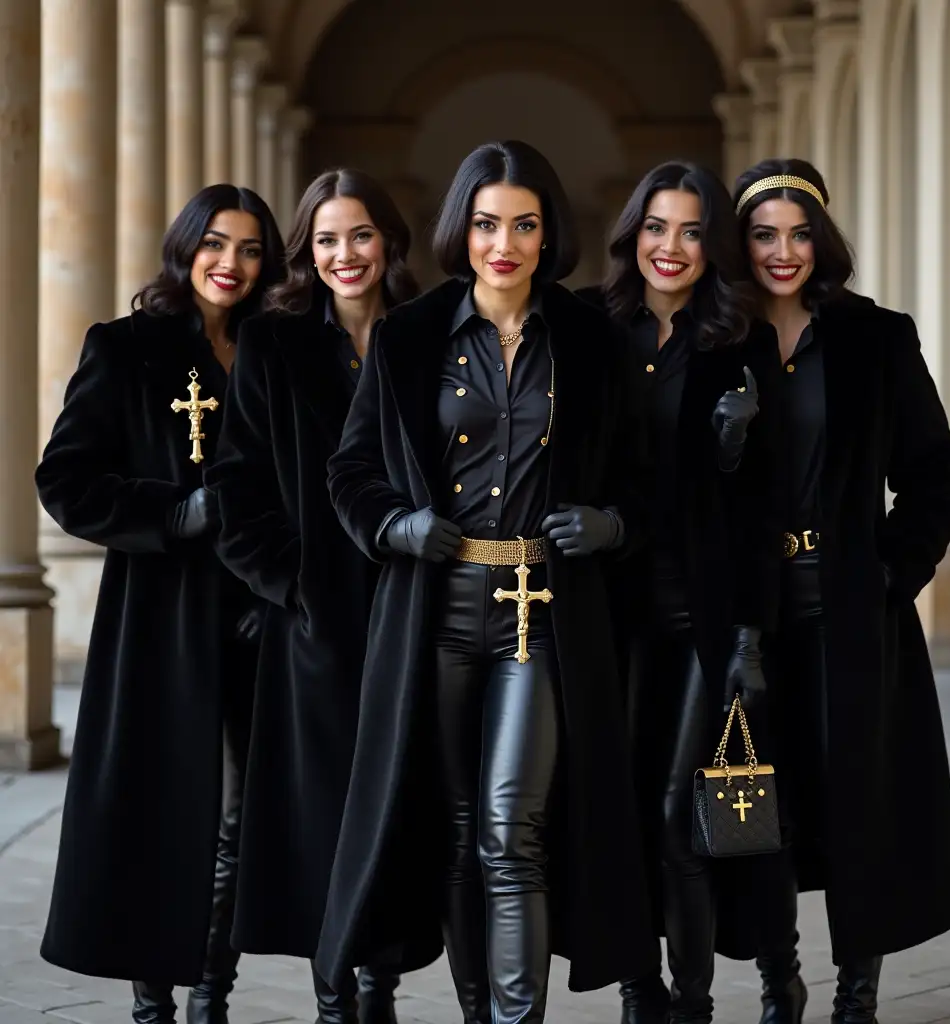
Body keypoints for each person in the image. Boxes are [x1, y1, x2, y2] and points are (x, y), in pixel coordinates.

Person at [313, 140, 658, 1024]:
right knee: (461, 836)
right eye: (487, 223)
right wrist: (396, 524)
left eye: (525, 225)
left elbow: (646, 474)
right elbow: (350, 473)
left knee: (513, 831)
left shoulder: (591, 339)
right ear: (460, 229)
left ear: (550, 236)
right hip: (436, 610)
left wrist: (614, 523)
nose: (504, 242)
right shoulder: (407, 337)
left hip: (542, 614)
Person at [37, 185, 285, 1024]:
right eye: (216, 244)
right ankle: (154, 1006)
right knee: (162, 809)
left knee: (242, 819)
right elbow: (64, 480)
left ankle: (212, 992)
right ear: (185, 249)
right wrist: (170, 513)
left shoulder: (276, 351)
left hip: (260, 611)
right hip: (160, 614)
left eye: (251, 249)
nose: (231, 264)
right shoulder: (127, 347)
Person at [732, 158, 950, 1024]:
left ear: (822, 240)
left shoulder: (876, 337)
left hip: (851, 613)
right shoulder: (719, 338)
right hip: (752, 616)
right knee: (762, 804)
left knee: (856, 806)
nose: (782, 252)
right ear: (741, 242)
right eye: (763, 234)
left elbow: (935, 479)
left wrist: (889, 576)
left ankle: (857, 996)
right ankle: (776, 981)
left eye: (799, 234)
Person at [205, 169, 421, 1024]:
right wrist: (291, 584)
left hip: (412, 608)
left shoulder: (426, 335)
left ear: (388, 241)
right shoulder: (276, 344)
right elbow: (236, 486)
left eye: (360, 235)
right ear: (308, 251)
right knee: (325, 815)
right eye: (326, 240)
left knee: (402, 810)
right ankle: (334, 997)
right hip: (316, 624)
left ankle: (379, 988)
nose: (344, 255)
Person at [579, 161, 782, 1024]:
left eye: (693, 231)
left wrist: (748, 633)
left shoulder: (739, 338)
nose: (672, 247)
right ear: (632, 234)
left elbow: (764, 502)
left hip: (702, 608)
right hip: (608, 607)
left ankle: (689, 1004)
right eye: (657, 228)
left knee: (679, 810)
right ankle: (638, 992)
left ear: (713, 246)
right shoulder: (591, 328)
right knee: (620, 808)